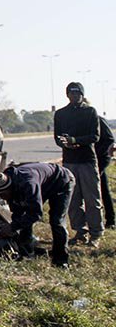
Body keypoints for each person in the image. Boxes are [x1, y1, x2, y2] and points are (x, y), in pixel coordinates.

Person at [0, 163, 74, 268]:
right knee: (22, 220)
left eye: (2, 195)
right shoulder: (8, 183)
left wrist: (12, 227)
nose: (2, 197)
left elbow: (36, 213)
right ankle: (26, 253)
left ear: (8, 188)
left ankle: (61, 260)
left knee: (57, 221)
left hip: (61, 181)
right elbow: (18, 213)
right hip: (44, 183)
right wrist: (13, 227)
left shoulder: (28, 183)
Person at [54, 82, 104, 246]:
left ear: (82, 95)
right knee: (73, 200)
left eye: (77, 93)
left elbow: (95, 136)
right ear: (67, 94)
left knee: (92, 199)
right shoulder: (61, 114)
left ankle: (95, 234)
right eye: (71, 93)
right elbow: (57, 137)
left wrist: (76, 140)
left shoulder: (90, 111)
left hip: (87, 160)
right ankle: (80, 231)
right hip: (69, 161)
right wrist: (64, 143)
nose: (75, 96)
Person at [97, 118, 115, 229]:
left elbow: (109, 139)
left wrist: (97, 154)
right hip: (87, 160)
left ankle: (110, 220)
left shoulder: (98, 120)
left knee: (103, 189)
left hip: (100, 159)